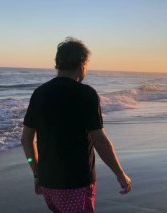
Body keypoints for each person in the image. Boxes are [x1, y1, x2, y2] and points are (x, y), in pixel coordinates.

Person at [21, 37, 132, 212]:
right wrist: (120, 174)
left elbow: (26, 139)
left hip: (48, 183)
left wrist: (36, 172)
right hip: (77, 183)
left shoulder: (39, 93)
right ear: (82, 64)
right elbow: (99, 140)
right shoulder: (86, 94)